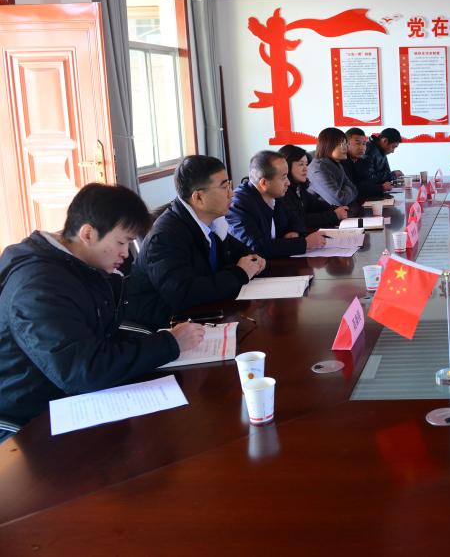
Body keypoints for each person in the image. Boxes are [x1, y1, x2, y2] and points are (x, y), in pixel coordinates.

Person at [0, 184, 205, 439]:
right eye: (121, 242)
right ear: (88, 233)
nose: (126, 253)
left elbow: (101, 337)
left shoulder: (80, 266)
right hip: (30, 418)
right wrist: (169, 343)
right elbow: (83, 371)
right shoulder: (37, 287)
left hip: (73, 397)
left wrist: (165, 341)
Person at [127, 155, 266, 329]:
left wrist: (254, 261)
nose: (231, 194)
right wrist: (239, 273)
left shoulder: (212, 221)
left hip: (206, 313)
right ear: (198, 197)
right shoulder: (165, 237)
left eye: (229, 185)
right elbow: (183, 294)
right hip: (165, 327)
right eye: (224, 187)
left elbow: (244, 254)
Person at [227, 150, 327, 258]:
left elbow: (296, 219)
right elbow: (256, 247)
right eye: (283, 177)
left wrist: (293, 231)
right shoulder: (239, 205)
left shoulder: (276, 193)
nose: (288, 182)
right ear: (264, 183)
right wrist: (305, 243)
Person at [278, 144, 347, 230]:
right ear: (286, 166)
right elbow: (299, 220)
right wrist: (334, 215)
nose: (306, 169)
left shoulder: (299, 188)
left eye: (306, 164)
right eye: (301, 164)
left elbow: (316, 205)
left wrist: (336, 209)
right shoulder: (282, 192)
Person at [308, 127, 358, 209]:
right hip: (324, 214)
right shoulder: (318, 168)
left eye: (346, 144)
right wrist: (348, 190)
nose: (346, 148)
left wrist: (346, 191)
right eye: (342, 144)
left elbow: (355, 190)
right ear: (328, 145)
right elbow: (340, 200)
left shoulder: (336, 163)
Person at [344, 127, 390, 200]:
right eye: (357, 143)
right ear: (345, 144)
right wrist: (381, 187)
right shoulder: (343, 163)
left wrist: (381, 187)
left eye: (364, 144)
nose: (362, 148)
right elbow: (354, 188)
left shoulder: (362, 161)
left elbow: (368, 182)